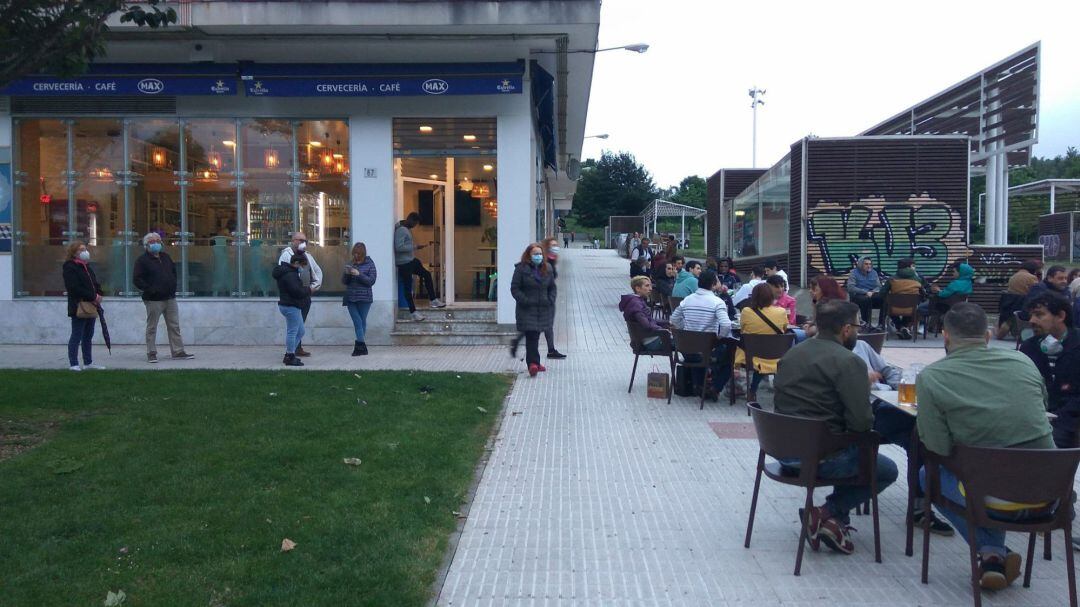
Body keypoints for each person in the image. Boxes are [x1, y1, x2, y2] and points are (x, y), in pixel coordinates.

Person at [917, 303, 1056, 590]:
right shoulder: (1023, 362)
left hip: (991, 498)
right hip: (1050, 495)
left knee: (926, 474)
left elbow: (938, 447)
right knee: (996, 472)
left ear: (945, 337)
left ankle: (992, 553)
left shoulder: (932, 377)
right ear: (989, 336)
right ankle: (993, 558)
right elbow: (1042, 407)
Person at [773, 299, 899, 555]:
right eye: (857, 326)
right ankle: (828, 512)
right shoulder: (849, 362)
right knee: (885, 467)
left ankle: (834, 521)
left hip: (782, 451)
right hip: (821, 458)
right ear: (845, 329)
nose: (859, 331)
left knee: (851, 446)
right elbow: (861, 424)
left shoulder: (792, 353)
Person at [1019, 292, 1080, 448]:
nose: (1032, 320)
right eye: (1031, 315)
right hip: (1035, 418)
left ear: (1060, 316)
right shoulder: (1029, 347)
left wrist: (1058, 418)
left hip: (1069, 420)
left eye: (1039, 315)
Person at [669, 270, 734, 401]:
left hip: (687, 351)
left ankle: (699, 385)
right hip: (707, 351)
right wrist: (719, 337)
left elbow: (673, 320)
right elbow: (726, 325)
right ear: (714, 284)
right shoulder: (717, 302)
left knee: (699, 349)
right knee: (729, 358)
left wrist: (684, 330)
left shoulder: (687, 300)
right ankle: (715, 388)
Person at [133, 232, 194, 363]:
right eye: (152, 241)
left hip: (170, 298)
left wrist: (172, 287)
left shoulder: (166, 257)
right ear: (146, 245)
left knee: (174, 325)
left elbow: (173, 273)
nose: (156, 243)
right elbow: (137, 279)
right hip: (154, 299)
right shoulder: (142, 261)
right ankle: (151, 352)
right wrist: (151, 289)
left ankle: (178, 351)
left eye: (158, 241)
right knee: (152, 327)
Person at [735, 283, 790, 401]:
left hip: (751, 357)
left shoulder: (746, 311)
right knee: (764, 355)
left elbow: (743, 329)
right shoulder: (781, 312)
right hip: (776, 356)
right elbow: (784, 330)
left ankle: (750, 390)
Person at [511, 243, 557, 377]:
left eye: (540, 254)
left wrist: (550, 299)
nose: (538, 256)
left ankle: (535, 362)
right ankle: (532, 364)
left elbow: (552, 287)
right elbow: (515, 288)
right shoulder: (521, 269)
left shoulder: (547, 268)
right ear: (529, 255)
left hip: (543, 309)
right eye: (535, 254)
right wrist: (525, 300)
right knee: (531, 336)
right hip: (527, 309)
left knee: (535, 336)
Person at [278, 232, 323, 356]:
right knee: (295, 328)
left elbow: (317, 271)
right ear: (293, 241)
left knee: (300, 325)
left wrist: (313, 287)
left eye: (305, 241)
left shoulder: (307, 256)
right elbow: (288, 279)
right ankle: (291, 351)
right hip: (293, 297)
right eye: (300, 240)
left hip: (304, 295)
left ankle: (294, 349)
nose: (303, 243)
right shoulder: (286, 256)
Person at [62, 241, 105, 371]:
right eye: (81, 250)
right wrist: (92, 297)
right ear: (74, 253)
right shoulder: (70, 267)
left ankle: (88, 362)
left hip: (91, 305)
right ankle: (73, 363)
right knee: (77, 334)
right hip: (79, 305)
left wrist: (99, 294)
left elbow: (94, 283)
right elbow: (73, 287)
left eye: (85, 249)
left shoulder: (87, 267)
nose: (85, 252)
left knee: (88, 335)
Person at [394, 212, 445, 321]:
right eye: (415, 223)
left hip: (411, 260)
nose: (415, 226)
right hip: (404, 263)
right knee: (408, 288)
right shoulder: (401, 230)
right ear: (411, 220)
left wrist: (416, 247)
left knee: (426, 274)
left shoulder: (405, 228)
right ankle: (413, 312)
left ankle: (433, 299)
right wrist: (414, 247)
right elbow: (399, 247)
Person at [274, 253, 311, 367]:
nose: (302, 269)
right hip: (290, 306)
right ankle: (290, 356)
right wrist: (309, 290)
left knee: (300, 331)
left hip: (290, 305)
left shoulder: (289, 273)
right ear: (296, 263)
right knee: (293, 332)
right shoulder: (290, 275)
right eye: (302, 265)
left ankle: (289, 354)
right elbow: (297, 292)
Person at [342, 242, 377, 356]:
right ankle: (361, 346)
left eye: (358, 254)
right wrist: (347, 274)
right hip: (351, 297)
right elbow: (344, 282)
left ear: (363, 254)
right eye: (354, 254)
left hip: (364, 298)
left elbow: (371, 281)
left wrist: (359, 274)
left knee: (362, 322)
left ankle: (360, 347)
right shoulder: (350, 263)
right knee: (357, 321)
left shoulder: (370, 264)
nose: (356, 256)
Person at [619, 276, 671, 351]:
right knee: (685, 343)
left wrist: (667, 323)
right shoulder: (636, 304)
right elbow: (647, 325)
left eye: (650, 285)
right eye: (647, 286)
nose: (650, 289)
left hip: (648, 339)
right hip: (651, 342)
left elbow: (649, 321)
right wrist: (663, 330)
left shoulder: (636, 301)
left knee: (684, 341)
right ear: (638, 288)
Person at [877, 259, 925, 340]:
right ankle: (904, 327)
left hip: (894, 309)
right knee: (914, 305)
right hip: (911, 310)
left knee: (887, 305)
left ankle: (900, 327)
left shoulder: (892, 279)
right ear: (909, 267)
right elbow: (923, 295)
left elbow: (882, 293)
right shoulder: (918, 280)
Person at [996, 260, 1041, 339]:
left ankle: (1000, 335)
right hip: (1022, 303)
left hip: (1009, 302)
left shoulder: (1013, 276)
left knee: (1008, 321)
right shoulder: (1031, 277)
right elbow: (1036, 290)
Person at [541, 237, 567, 359]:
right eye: (552, 245)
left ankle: (551, 349)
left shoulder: (552, 260)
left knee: (547, 324)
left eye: (556, 245)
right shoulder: (546, 262)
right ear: (547, 247)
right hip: (544, 298)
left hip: (548, 298)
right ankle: (551, 350)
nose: (555, 248)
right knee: (545, 324)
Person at [846, 256, 883, 327]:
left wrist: (873, 292)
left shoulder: (874, 272)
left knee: (883, 299)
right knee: (865, 300)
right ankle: (866, 323)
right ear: (860, 264)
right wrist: (865, 292)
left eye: (870, 264)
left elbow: (878, 286)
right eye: (866, 264)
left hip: (872, 293)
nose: (868, 266)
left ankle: (881, 324)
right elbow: (850, 287)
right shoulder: (854, 273)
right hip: (858, 295)